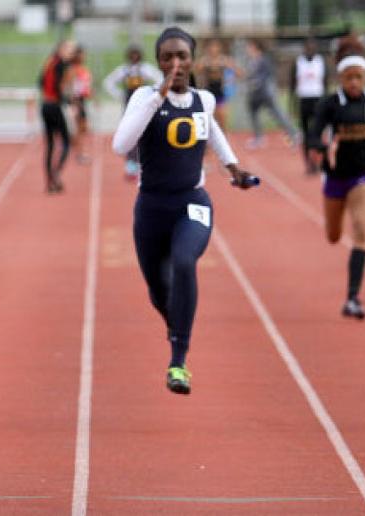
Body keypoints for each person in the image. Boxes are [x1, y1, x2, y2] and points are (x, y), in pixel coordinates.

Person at [111, 27, 258, 395]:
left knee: (184, 261)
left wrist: (234, 168)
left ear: (192, 60)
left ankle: (178, 361)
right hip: (151, 208)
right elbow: (121, 144)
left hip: (192, 201)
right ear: (158, 62)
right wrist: (157, 95)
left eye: (182, 56)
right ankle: (176, 327)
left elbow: (213, 135)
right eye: (167, 57)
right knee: (160, 293)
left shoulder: (203, 100)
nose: (175, 64)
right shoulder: (145, 97)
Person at [306, 41, 365, 320]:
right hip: (335, 178)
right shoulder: (330, 104)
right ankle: (351, 293)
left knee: (361, 231)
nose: (355, 82)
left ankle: (352, 298)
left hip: (362, 176)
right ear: (341, 78)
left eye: (359, 77)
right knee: (334, 236)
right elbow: (312, 135)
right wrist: (323, 150)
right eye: (350, 78)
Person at [103, 44, 164, 180]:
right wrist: (120, 95)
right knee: (130, 132)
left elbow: (160, 79)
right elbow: (108, 82)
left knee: (146, 131)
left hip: (144, 105)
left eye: (137, 55)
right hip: (129, 105)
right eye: (132, 55)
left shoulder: (145, 69)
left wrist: (152, 93)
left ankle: (146, 162)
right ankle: (131, 163)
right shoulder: (124, 70)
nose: (134, 57)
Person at [244, 39, 300, 149]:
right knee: (253, 113)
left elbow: (266, 76)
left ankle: (294, 133)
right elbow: (250, 76)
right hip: (255, 94)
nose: (247, 50)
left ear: (255, 47)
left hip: (265, 93)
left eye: (249, 47)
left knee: (277, 114)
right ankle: (259, 138)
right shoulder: (251, 61)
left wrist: (256, 82)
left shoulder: (264, 59)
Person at [38, 40, 75, 193]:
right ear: (61, 49)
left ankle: (49, 181)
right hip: (55, 105)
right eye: (69, 49)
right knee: (66, 141)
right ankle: (56, 173)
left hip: (46, 104)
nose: (71, 52)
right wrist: (68, 101)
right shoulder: (62, 64)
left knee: (51, 144)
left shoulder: (49, 62)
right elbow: (60, 86)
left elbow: (40, 82)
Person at [291, 37, 328, 175]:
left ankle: (319, 161)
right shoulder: (298, 62)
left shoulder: (321, 61)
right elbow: (292, 84)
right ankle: (309, 163)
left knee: (318, 133)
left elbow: (326, 82)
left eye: (313, 47)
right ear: (304, 48)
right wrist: (292, 105)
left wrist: (327, 102)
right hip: (304, 100)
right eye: (308, 47)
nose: (310, 50)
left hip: (318, 100)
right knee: (306, 133)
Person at [194, 39, 240, 131]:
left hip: (220, 92)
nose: (213, 49)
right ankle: (206, 143)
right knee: (207, 120)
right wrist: (203, 66)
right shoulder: (205, 60)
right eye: (211, 47)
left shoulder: (223, 60)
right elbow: (195, 71)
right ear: (208, 49)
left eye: (216, 47)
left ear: (219, 48)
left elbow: (239, 73)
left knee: (222, 119)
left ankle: (224, 140)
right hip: (208, 92)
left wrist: (230, 79)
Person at [67, 46, 93, 164]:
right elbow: (71, 88)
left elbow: (86, 85)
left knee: (83, 128)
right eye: (82, 55)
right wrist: (75, 103)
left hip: (81, 100)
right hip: (76, 101)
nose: (84, 57)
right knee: (78, 129)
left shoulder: (82, 69)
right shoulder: (72, 70)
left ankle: (77, 149)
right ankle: (79, 153)